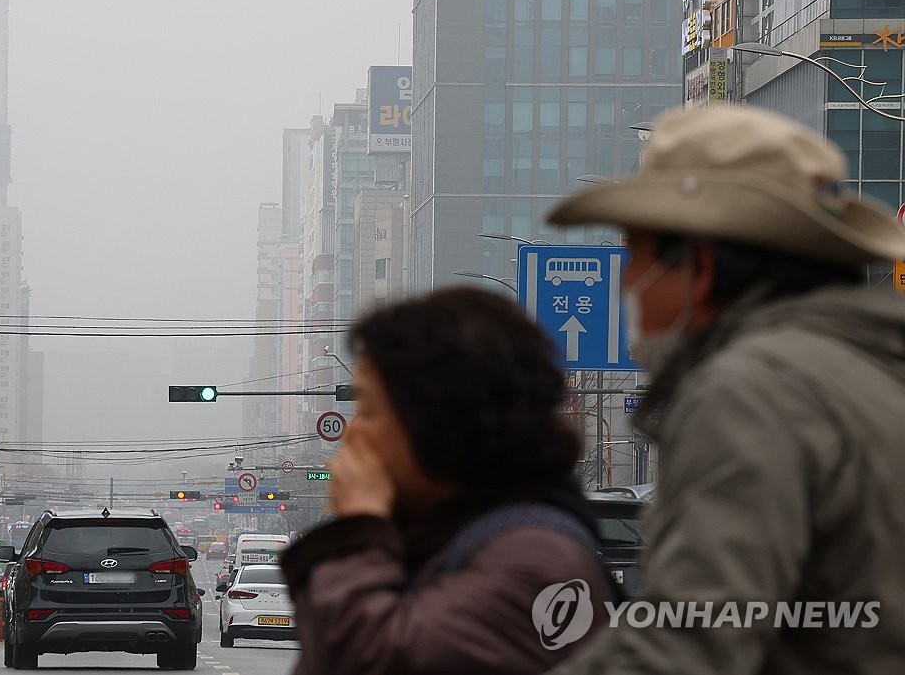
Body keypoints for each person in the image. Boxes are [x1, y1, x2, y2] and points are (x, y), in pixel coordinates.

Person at [544, 105, 905, 674]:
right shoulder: (871, 370)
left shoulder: (751, 392)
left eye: (633, 255)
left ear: (701, 266)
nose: (624, 282)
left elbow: (684, 647)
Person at [281, 287, 614, 675]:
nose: (353, 433)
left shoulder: (536, 562)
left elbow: (371, 658)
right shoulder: (433, 537)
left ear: (439, 422)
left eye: (369, 411)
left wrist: (358, 530)